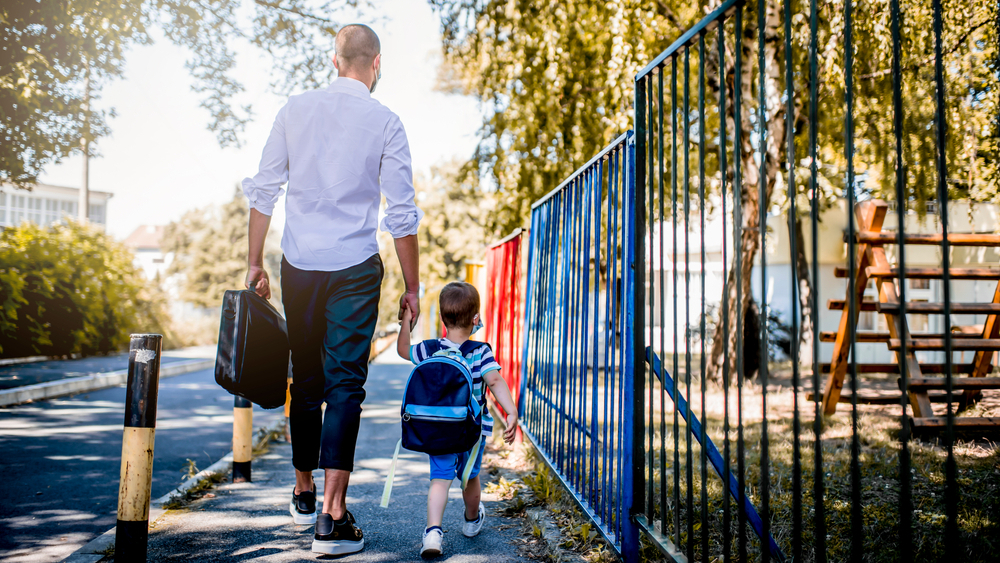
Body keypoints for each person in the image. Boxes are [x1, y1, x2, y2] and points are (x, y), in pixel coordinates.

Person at [242, 23, 422, 556]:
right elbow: (402, 214)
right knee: (346, 383)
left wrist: (254, 261)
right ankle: (332, 517)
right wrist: (413, 287)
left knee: (307, 376)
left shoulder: (293, 110)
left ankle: (303, 488)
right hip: (354, 266)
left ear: (335, 60)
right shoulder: (386, 121)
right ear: (377, 63)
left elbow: (264, 189)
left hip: (298, 263)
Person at [395, 281, 518, 558]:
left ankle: (433, 534)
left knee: (439, 479)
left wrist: (406, 320)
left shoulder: (429, 349)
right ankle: (472, 520)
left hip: (437, 429)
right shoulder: (480, 351)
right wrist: (511, 411)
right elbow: (495, 381)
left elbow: (403, 350)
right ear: (476, 319)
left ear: (442, 318)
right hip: (472, 432)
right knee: (469, 478)